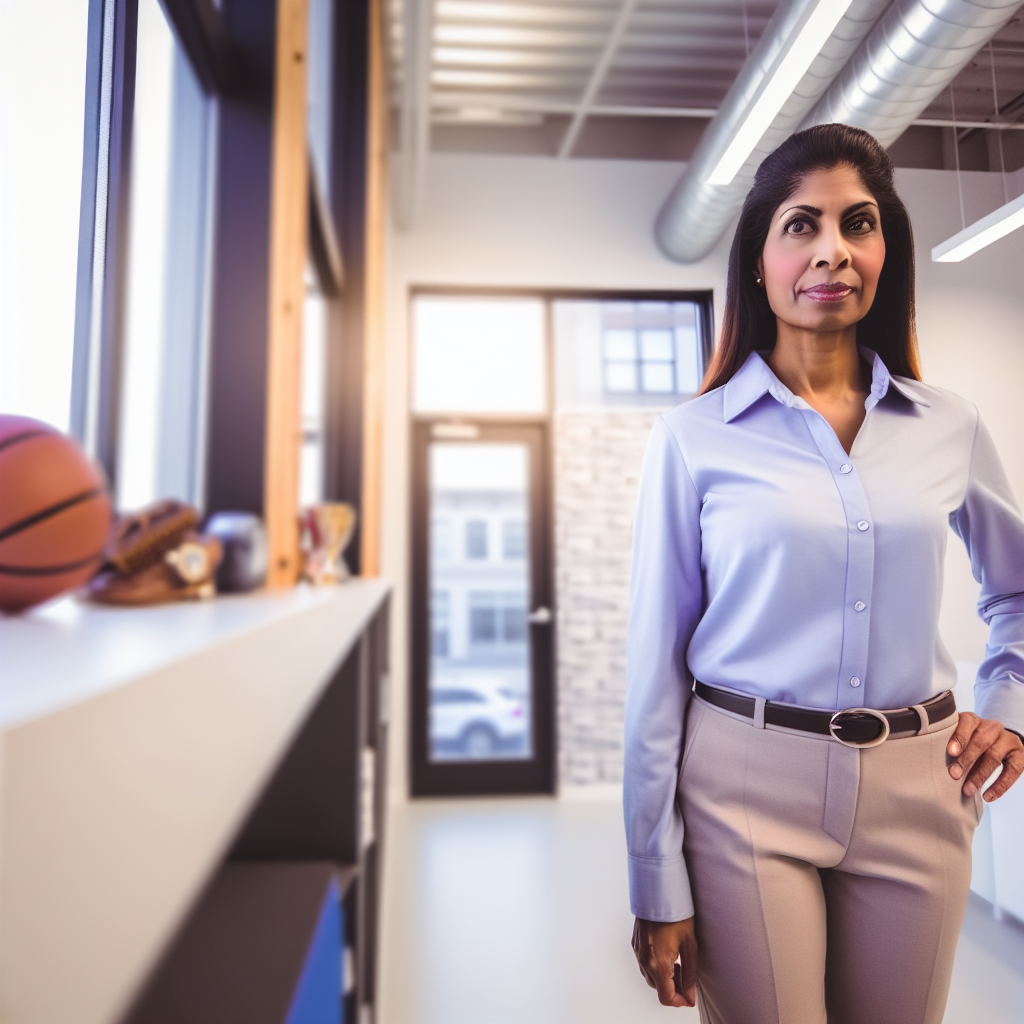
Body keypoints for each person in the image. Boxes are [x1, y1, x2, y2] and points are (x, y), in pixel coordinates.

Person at [624, 123, 1024, 1024]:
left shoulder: (948, 426)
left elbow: (1018, 594)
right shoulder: (694, 440)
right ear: (760, 259)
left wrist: (1011, 709)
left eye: (860, 224)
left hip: (922, 785)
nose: (833, 251)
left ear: (886, 253)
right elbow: (653, 672)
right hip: (742, 792)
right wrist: (655, 875)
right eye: (801, 225)